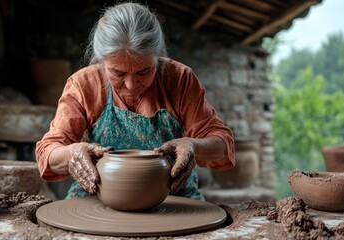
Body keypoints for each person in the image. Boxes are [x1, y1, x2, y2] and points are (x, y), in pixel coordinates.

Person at [35, 2, 235, 201]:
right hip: (99, 198)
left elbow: (222, 143)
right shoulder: (84, 84)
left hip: (172, 198)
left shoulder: (180, 79)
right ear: (101, 61)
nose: (131, 84)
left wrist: (193, 146)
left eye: (144, 71)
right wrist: (72, 153)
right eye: (117, 72)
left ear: (157, 57)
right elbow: (48, 152)